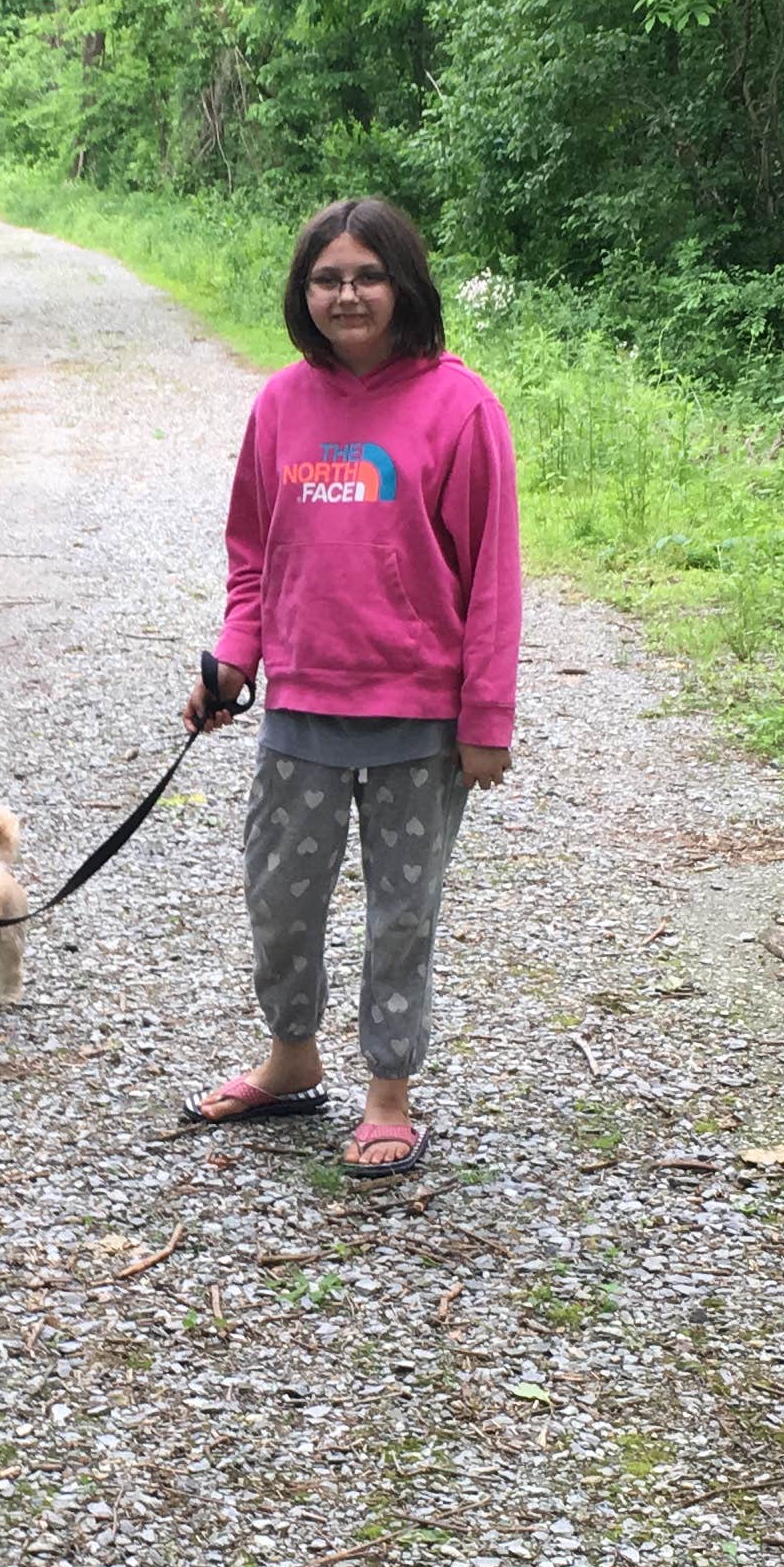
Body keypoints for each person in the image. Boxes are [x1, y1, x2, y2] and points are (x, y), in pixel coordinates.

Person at [180, 196, 519, 1180]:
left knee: (401, 911)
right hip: (300, 711)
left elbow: (491, 577)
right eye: (327, 277)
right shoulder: (282, 403)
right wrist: (235, 656)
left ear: (403, 283)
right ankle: (291, 1057)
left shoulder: (461, 407)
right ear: (304, 292)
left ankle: (388, 1096)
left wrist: (485, 719)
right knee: (280, 897)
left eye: (367, 275)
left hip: (419, 719)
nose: (347, 294)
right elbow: (254, 552)